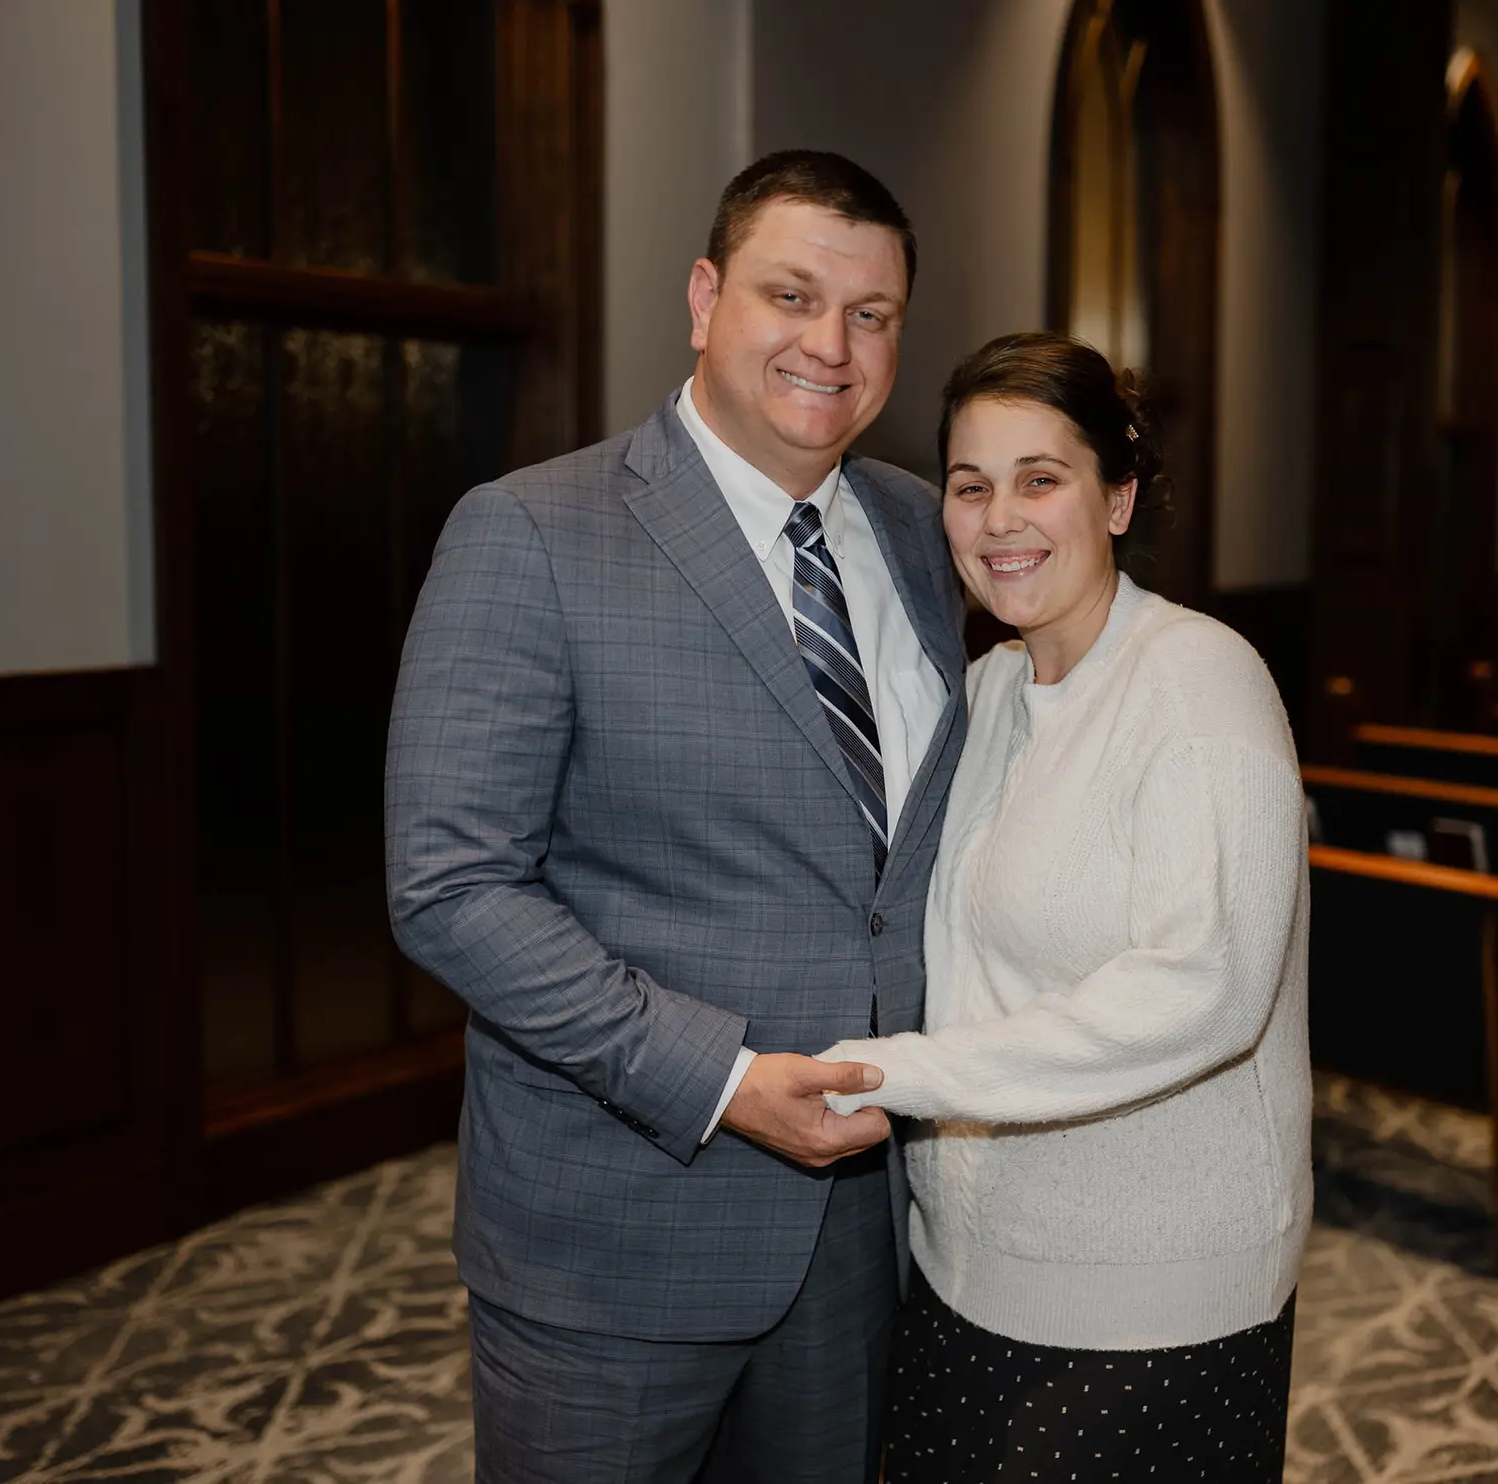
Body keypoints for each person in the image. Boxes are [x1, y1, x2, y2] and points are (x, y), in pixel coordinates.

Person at [385, 151, 969, 1484]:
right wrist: (720, 1081)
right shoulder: (530, 532)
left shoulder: (929, 533)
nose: (831, 343)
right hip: (615, 1235)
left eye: (871, 314)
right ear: (706, 298)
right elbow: (450, 885)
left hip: (864, 1232)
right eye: (791, 294)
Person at [824, 332, 1312, 1482]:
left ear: (1121, 496)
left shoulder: (1201, 678)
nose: (1002, 519)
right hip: (963, 1271)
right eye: (970, 484)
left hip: (1149, 1298)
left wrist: (895, 1073)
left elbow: (1205, 986)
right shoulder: (987, 688)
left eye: (1041, 479)